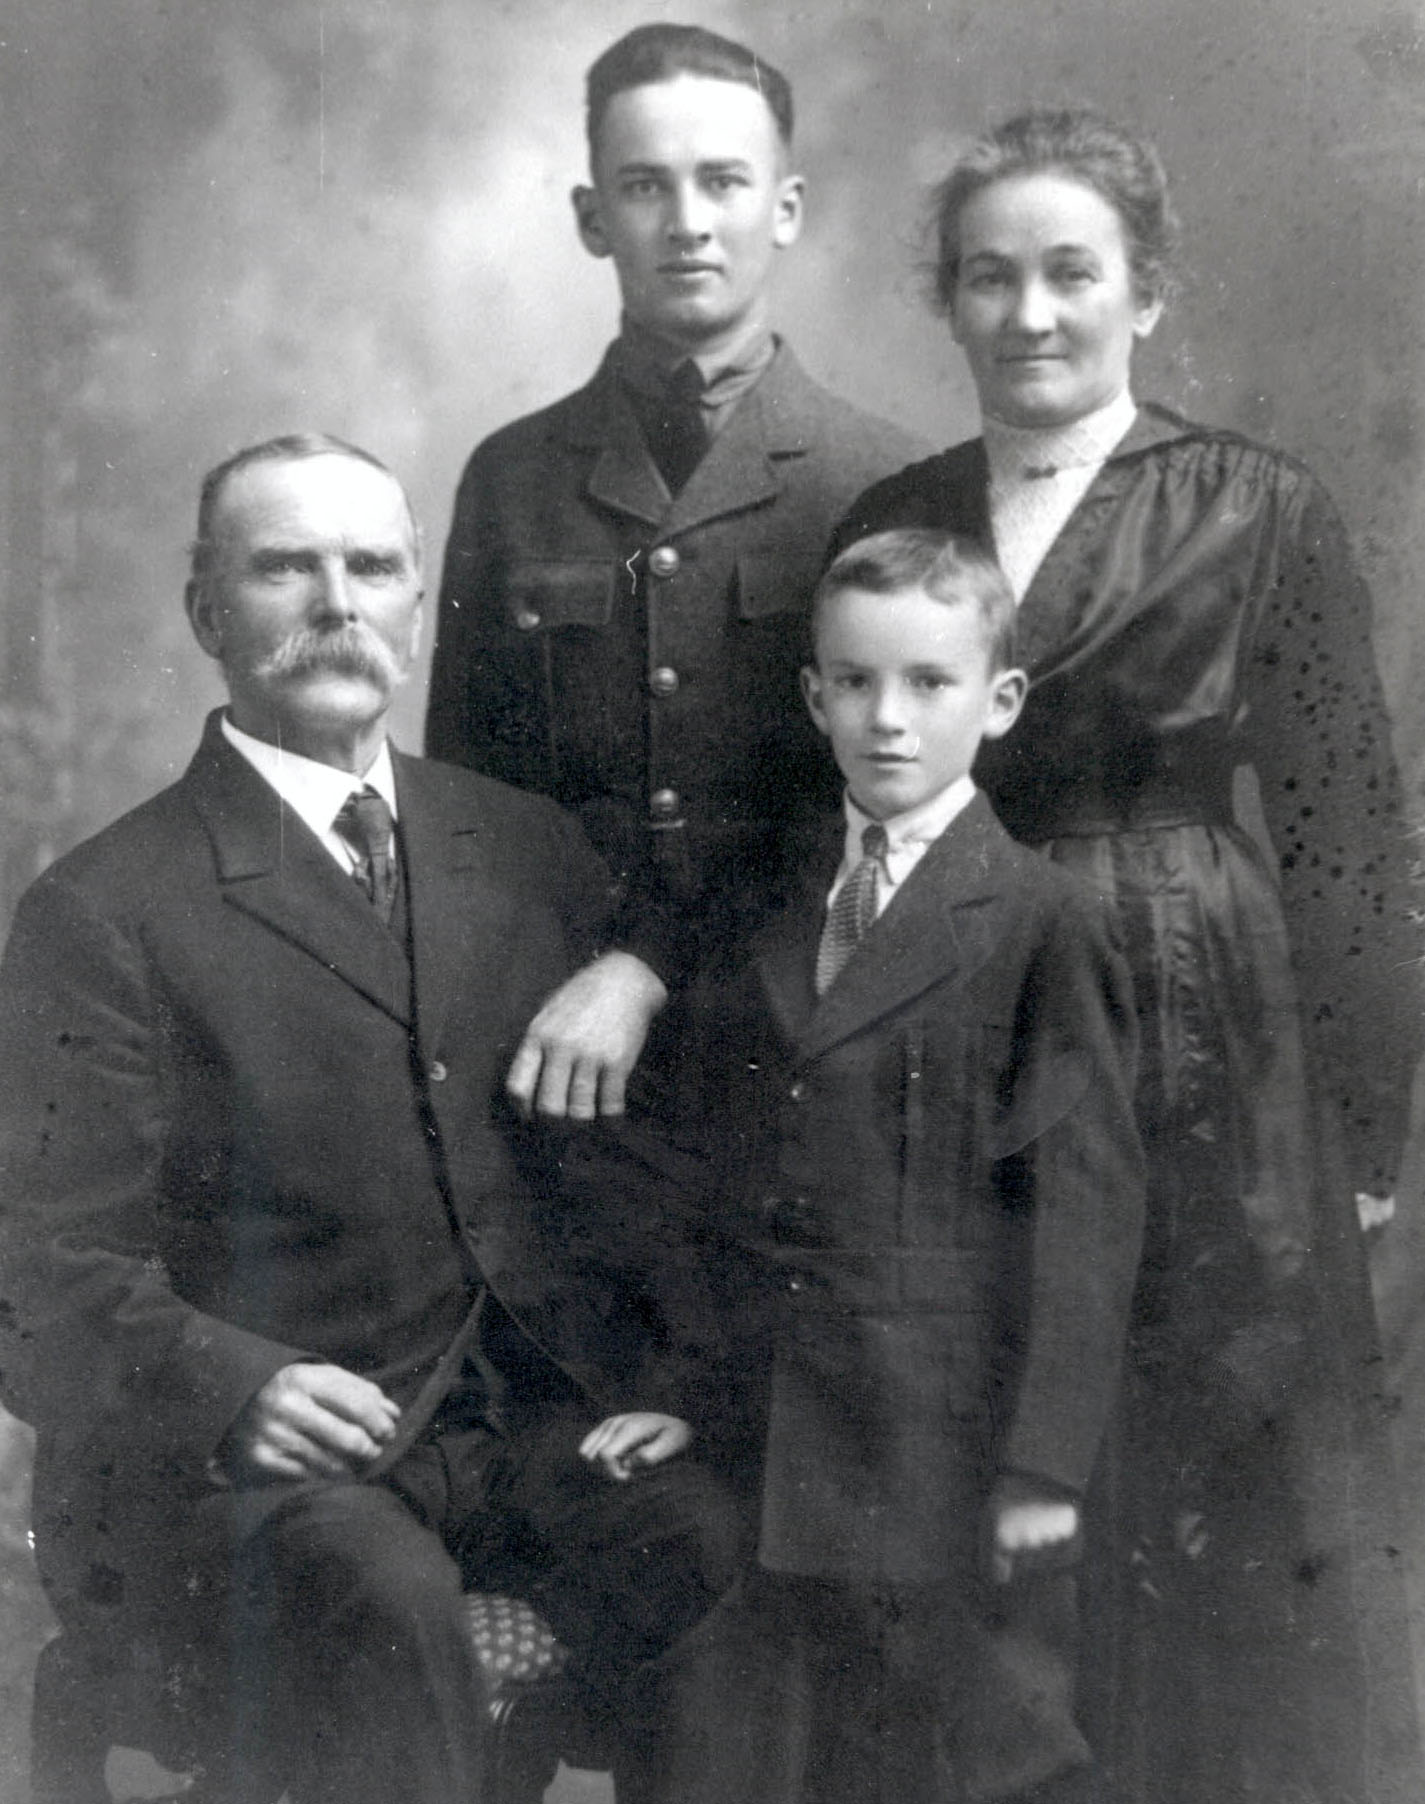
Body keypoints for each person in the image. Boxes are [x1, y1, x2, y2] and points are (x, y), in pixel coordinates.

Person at [0, 434, 742, 1804]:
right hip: (244, 1475)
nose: (337, 602)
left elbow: (631, 1181)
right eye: (285, 568)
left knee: (702, 1538)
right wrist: (233, 1388)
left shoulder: (525, 847)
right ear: (207, 612)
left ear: (413, 606)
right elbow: (40, 1274)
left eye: (372, 566)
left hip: (505, 1436)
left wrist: (673, 1387)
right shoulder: (104, 910)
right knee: (388, 1604)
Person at [833, 109, 1425, 1804]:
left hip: (1199, 1021)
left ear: (1145, 292)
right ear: (949, 303)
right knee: (995, 1440)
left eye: (1070, 273)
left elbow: (1348, 837)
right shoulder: (899, 514)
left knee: (1213, 1450)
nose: (1029, 313)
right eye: (989, 278)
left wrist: (1358, 1135)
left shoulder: (1256, 502)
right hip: (958, 996)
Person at [649, 530, 1145, 1802]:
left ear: (1002, 698)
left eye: (930, 682)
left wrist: (1044, 1464)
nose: (888, 718)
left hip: (943, 1445)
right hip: (771, 1434)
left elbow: (1085, 1218)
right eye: (856, 682)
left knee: (961, 1760)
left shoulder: (1044, 919)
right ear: (813, 696)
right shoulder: (769, 900)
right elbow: (713, 1178)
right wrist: (687, 1385)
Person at [424, 22, 927, 1121]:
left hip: (807, 1028)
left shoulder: (883, 479)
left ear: (785, 208)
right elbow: (465, 797)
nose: (688, 221)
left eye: (724, 181)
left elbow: (903, 798)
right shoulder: (512, 475)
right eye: (646, 185)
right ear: (590, 217)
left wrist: (650, 964)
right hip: (555, 1041)